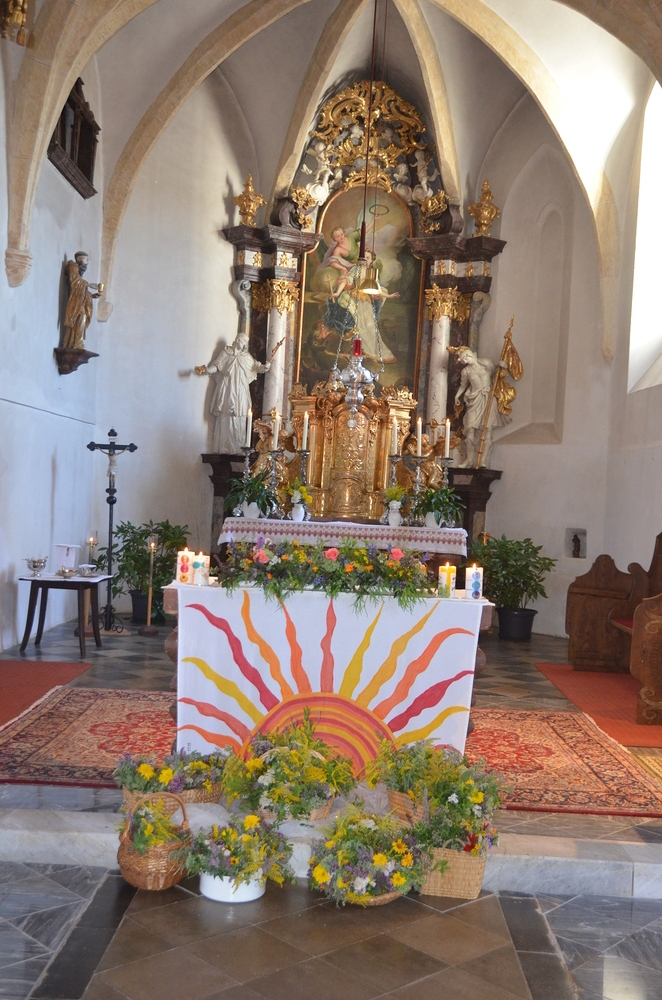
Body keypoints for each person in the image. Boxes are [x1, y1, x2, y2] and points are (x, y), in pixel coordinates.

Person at [195, 333, 270, 454]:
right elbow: (217, 365)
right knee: (226, 413)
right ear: (237, 340)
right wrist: (207, 370)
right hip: (228, 388)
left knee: (240, 414)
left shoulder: (246, 356)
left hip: (241, 389)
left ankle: (238, 446)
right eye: (243, 341)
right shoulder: (226, 353)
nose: (243, 344)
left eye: (245, 342)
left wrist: (265, 367)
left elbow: (256, 367)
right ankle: (224, 446)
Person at [62, 252, 101, 350]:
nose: (85, 263)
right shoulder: (73, 268)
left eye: (86, 260)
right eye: (83, 259)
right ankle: (77, 343)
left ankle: (74, 342)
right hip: (75, 303)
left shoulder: (78, 274)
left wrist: (91, 295)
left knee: (82, 317)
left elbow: (81, 292)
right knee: (81, 316)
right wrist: (88, 284)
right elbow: (74, 283)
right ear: (78, 259)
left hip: (78, 301)